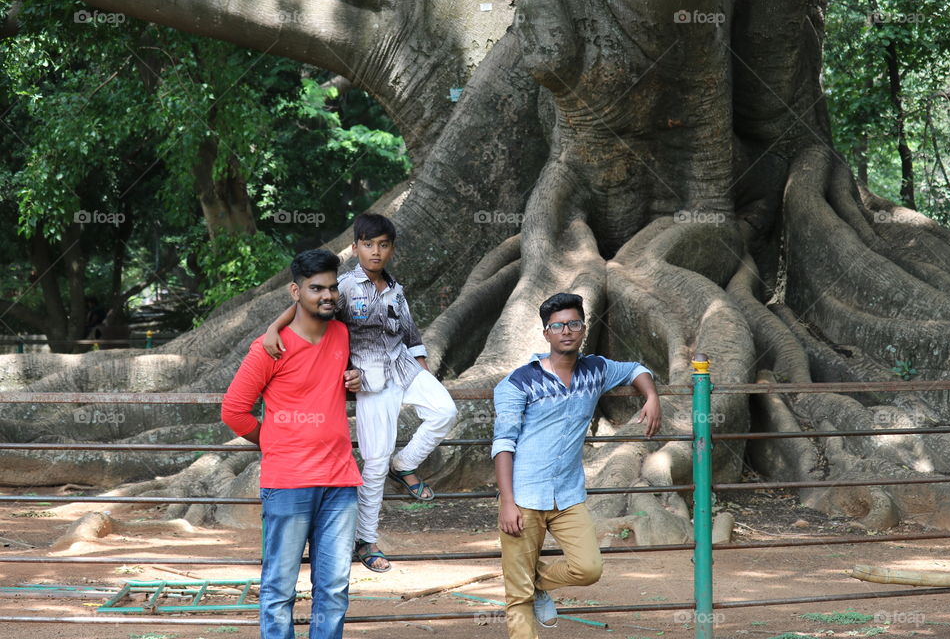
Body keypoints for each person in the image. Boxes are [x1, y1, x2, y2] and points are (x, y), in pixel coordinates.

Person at [262, 213, 457, 573]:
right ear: (355, 248)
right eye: (368, 244)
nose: (375, 252)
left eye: (383, 245)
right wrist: (275, 327)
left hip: (405, 367)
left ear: (392, 249)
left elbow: (411, 333)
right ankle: (366, 538)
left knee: (445, 411)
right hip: (369, 379)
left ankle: (406, 464)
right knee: (375, 461)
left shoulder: (396, 289)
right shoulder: (345, 287)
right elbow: (307, 306)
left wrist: (424, 371)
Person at [492, 292, 661, 638]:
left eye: (573, 324)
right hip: (524, 496)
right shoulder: (518, 382)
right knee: (518, 595)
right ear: (546, 333)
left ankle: (535, 579)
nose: (566, 331)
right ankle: (526, 584)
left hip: (567, 495)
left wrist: (652, 395)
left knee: (588, 568)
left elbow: (635, 369)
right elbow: (503, 444)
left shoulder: (595, 370)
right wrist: (507, 501)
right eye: (558, 326)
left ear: (584, 328)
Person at [222, 248, 364, 639]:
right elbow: (234, 411)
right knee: (280, 588)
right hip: (288, 483)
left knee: (334, 589)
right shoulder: (269, 347)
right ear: (295, 291)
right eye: (316, 288)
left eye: (332, 287)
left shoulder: (342, 334)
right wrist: (273, 441)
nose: (327, 295)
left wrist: (353, 380)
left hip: (340, 481)